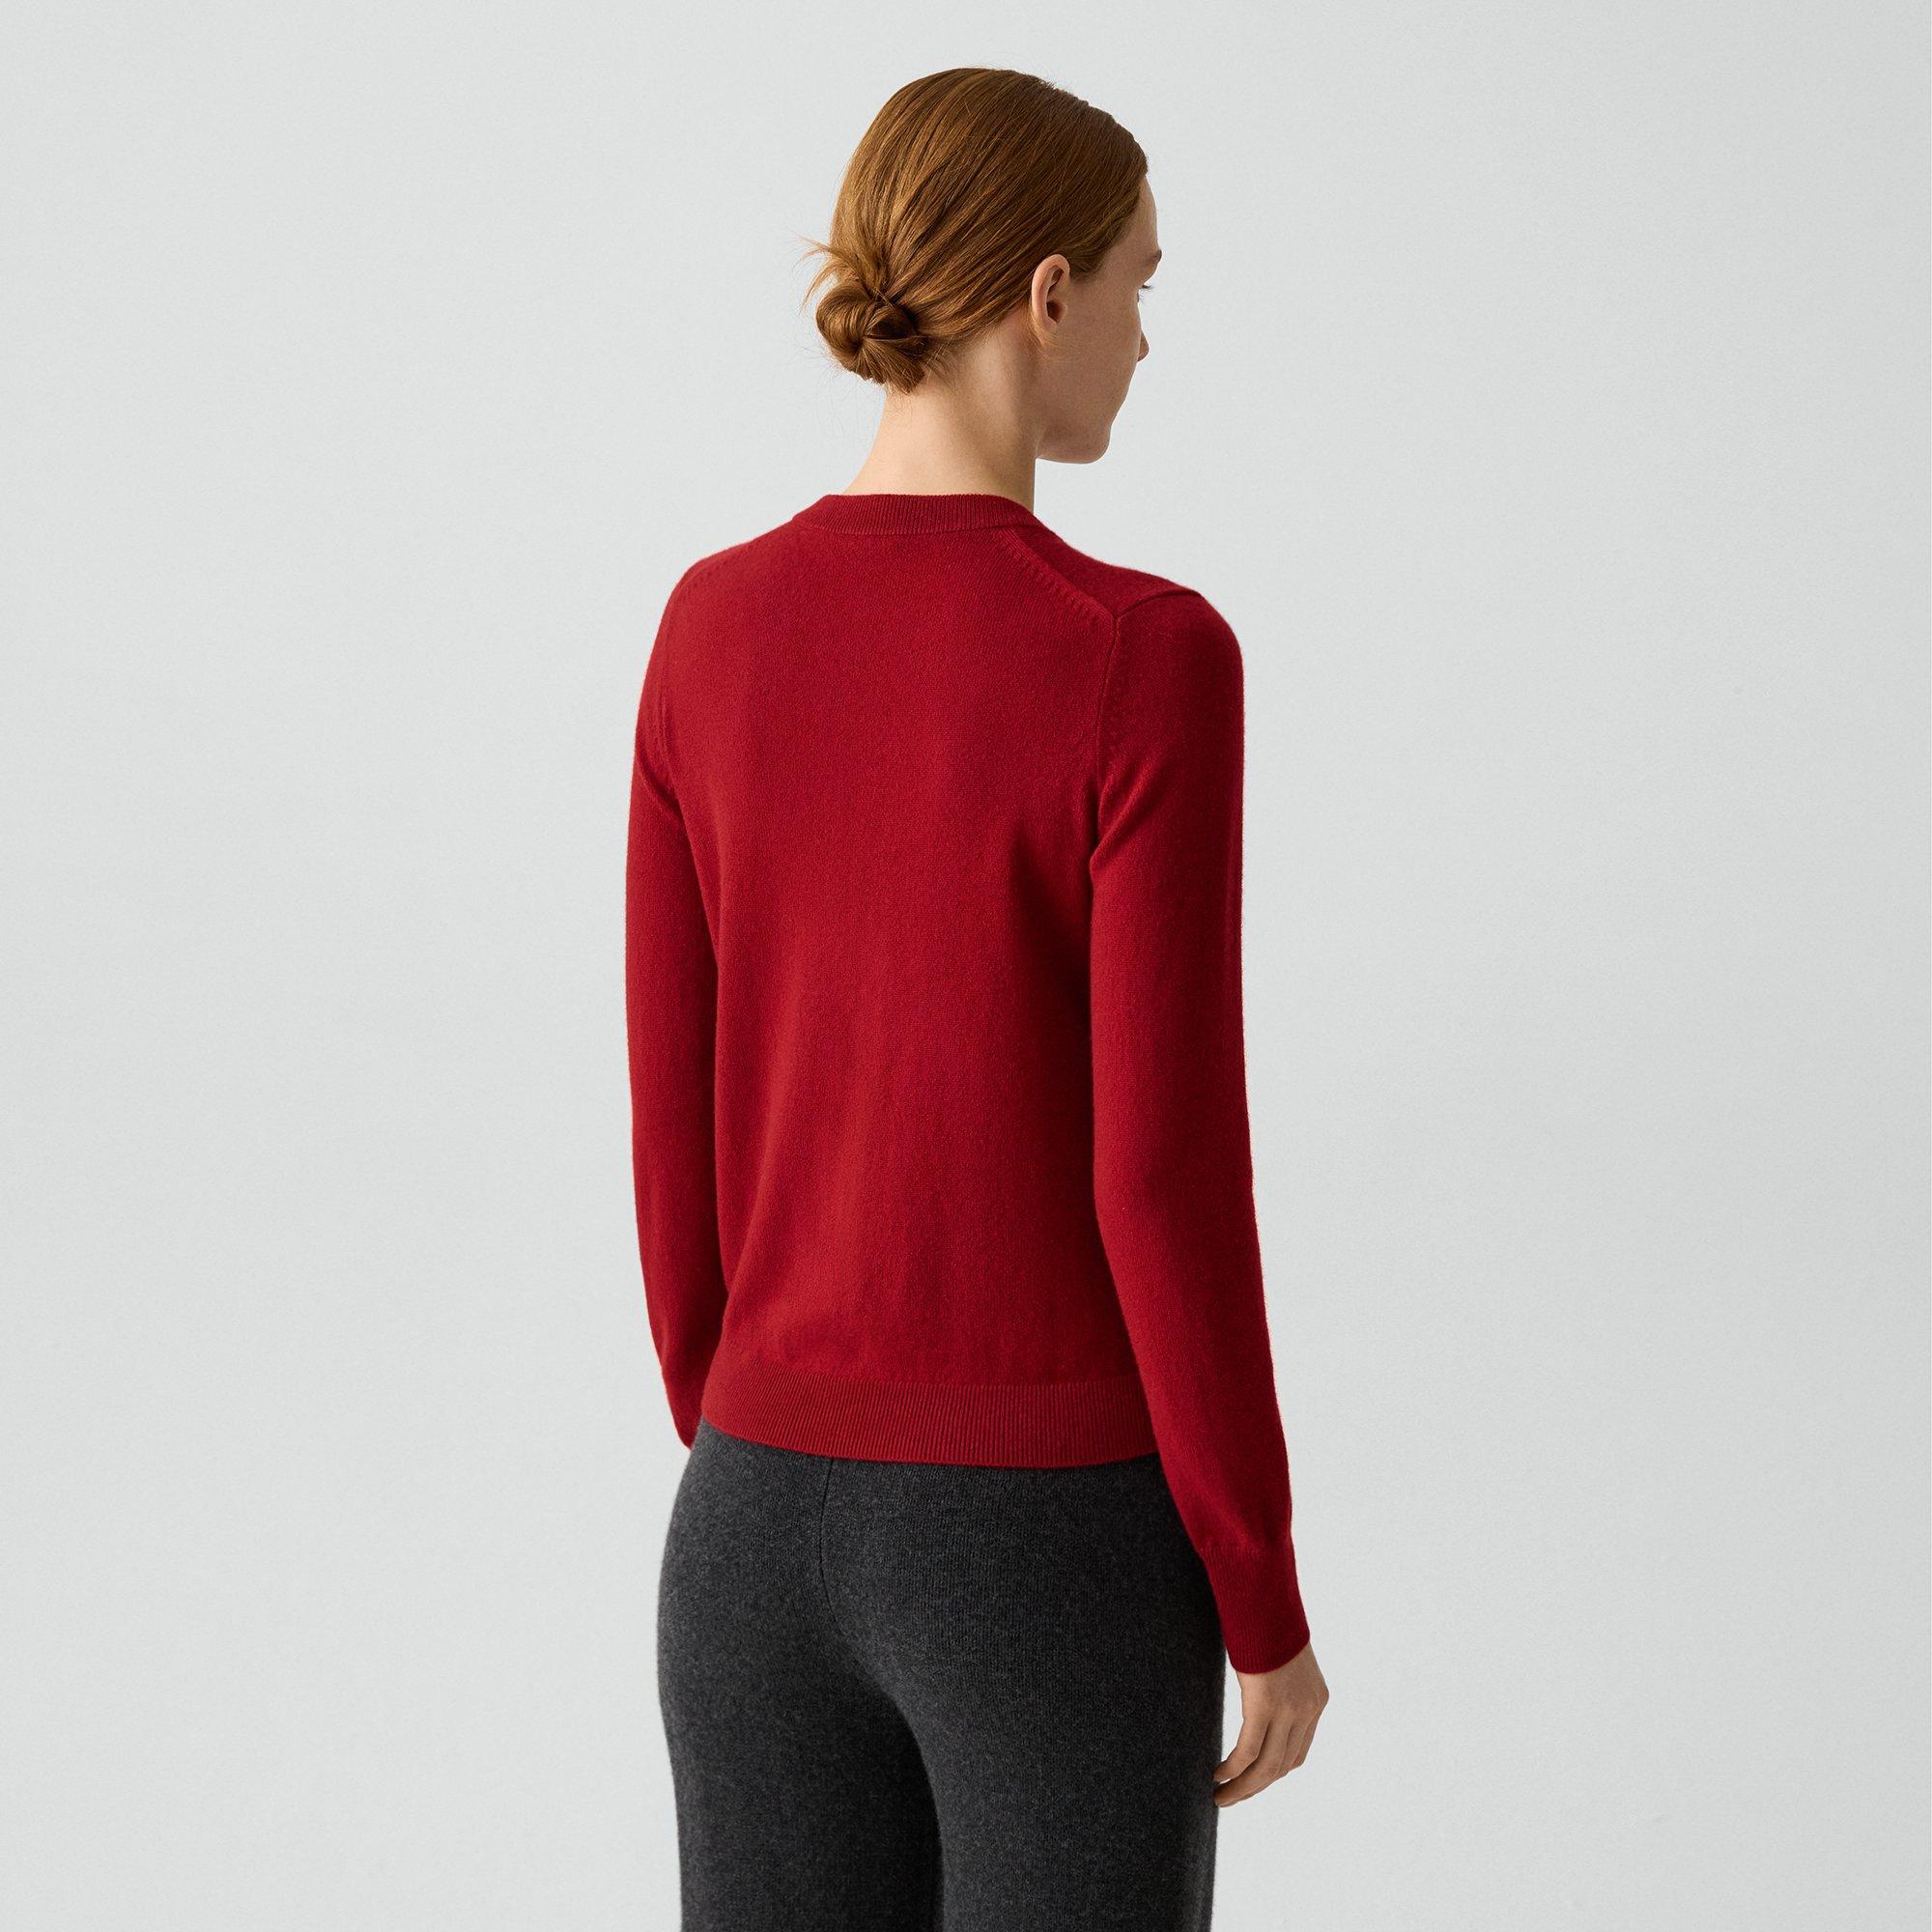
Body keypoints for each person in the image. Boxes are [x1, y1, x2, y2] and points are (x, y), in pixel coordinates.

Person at [626, 66, 1328, 1932]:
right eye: (1140, 283)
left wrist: (759, 1431)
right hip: (1048, 1545)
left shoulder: (708, 626)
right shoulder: (1142, 656)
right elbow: (1163, 1177)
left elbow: (672, 1118)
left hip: (751, 1531)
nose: (1146, 338)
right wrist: (1258, 1588)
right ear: (1046, 291)